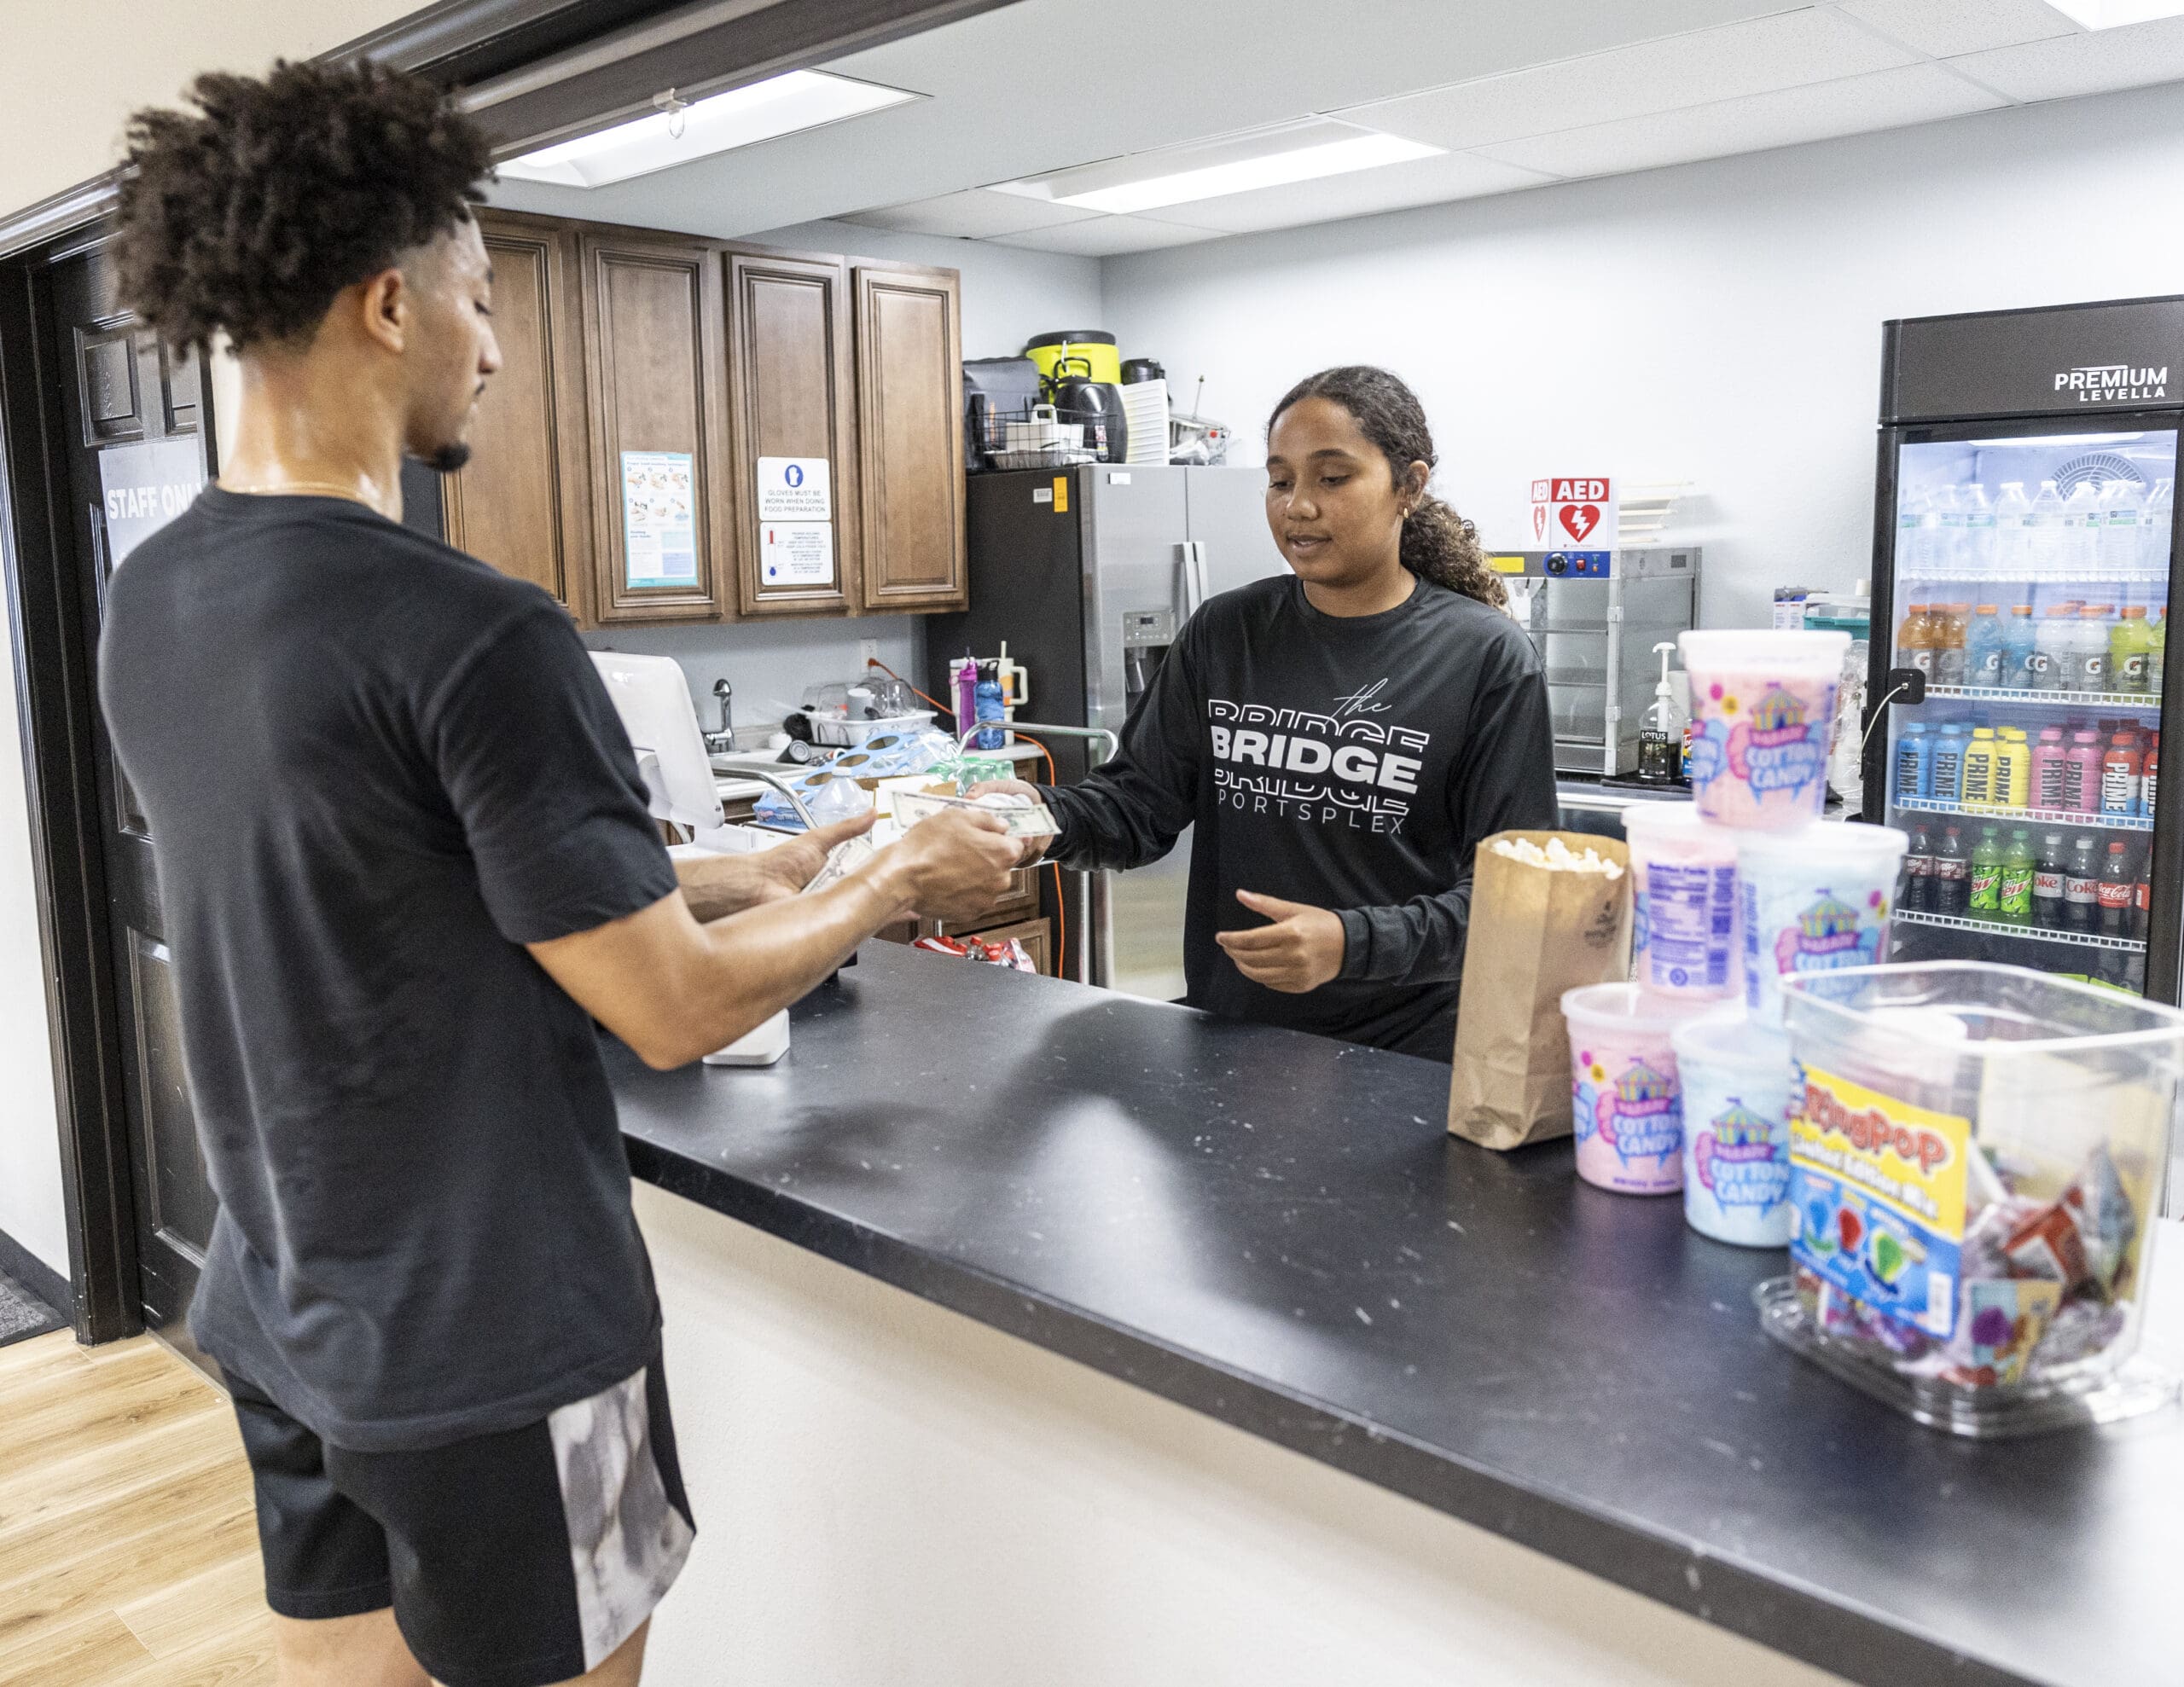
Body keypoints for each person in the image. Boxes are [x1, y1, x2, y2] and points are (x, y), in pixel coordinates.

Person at [101, 61, 1025, 1687]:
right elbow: (670, 1013)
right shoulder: (471, 627)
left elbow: (385, 887)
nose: (497, 344)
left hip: (284, 1293)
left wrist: (760, 863)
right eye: (475, 297)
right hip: (496, 1333)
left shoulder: (160, 593)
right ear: (389, 305)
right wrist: (896, 877)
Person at [981, 365, 1557, 1059]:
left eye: (1332, 478)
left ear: (1410, 485)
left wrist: (1352, 944)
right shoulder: (1228, 632)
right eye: (1281, 481)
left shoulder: (1484, 657)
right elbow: (1139, 806)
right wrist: (1042, 818)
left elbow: (1513, 902)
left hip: (1407, 1058)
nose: (1298, 507)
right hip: (1234, 1039)